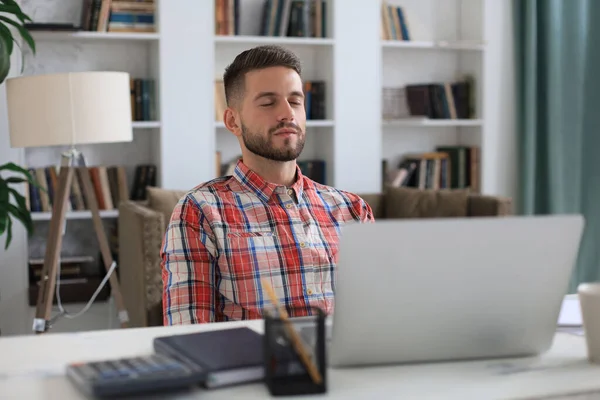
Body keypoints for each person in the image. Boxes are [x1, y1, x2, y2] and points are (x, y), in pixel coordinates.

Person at [161, 45, 374, 325]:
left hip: (341, 367)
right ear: (233, 121)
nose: (287, 113)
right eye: (268, 102)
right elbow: (189, 337)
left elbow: (378, 319)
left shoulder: (353, 210)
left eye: (295, 101)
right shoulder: (199, 212)